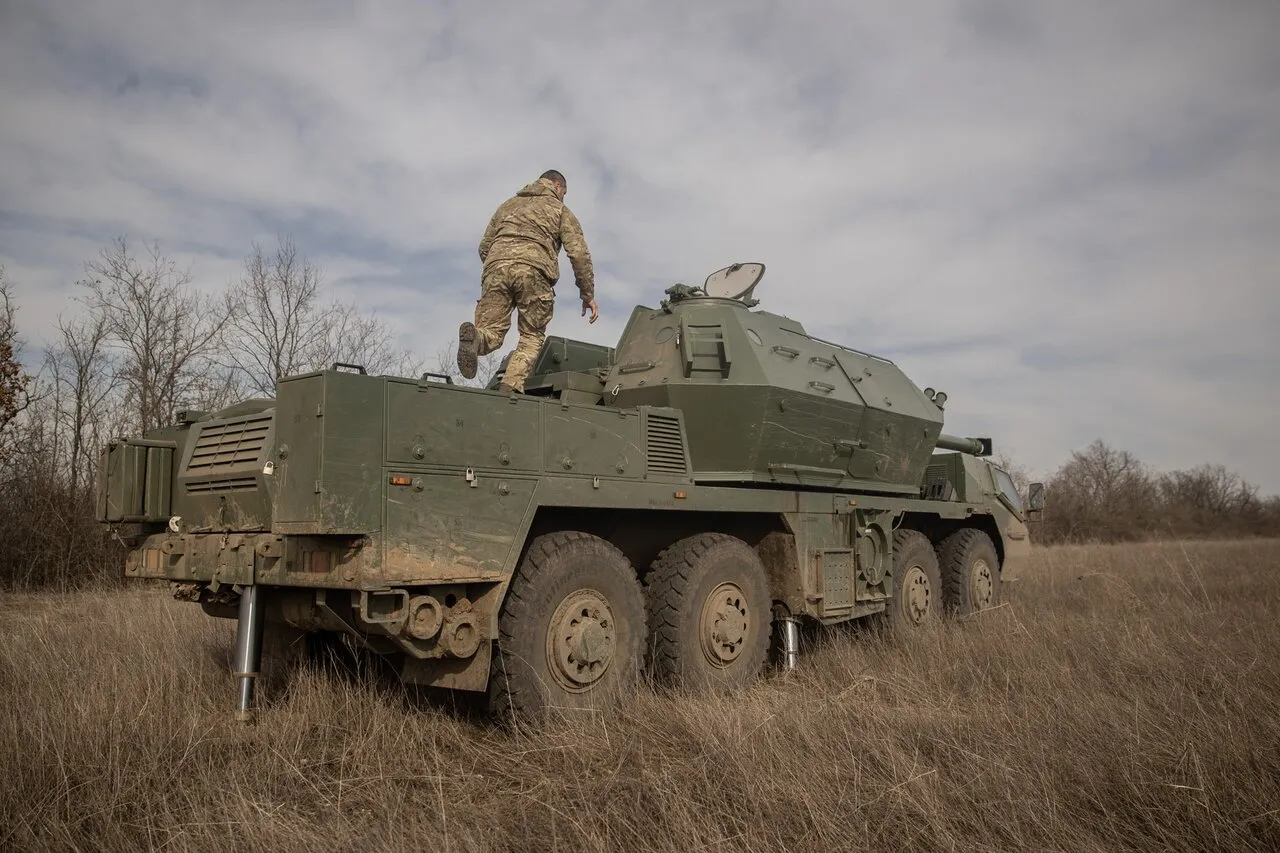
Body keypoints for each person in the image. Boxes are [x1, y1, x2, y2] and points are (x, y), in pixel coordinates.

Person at [456, 169, 598, 392]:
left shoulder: (507, 206)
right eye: (564, 193)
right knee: (531, 337)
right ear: (558, 187)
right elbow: (578, 254)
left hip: (495, 267)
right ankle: (510, 387)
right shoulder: (560, 210)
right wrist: (587, 294)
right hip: (534, 271)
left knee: (492, 332)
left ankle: (476, 339)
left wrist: (499, 268)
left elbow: (484, 246)